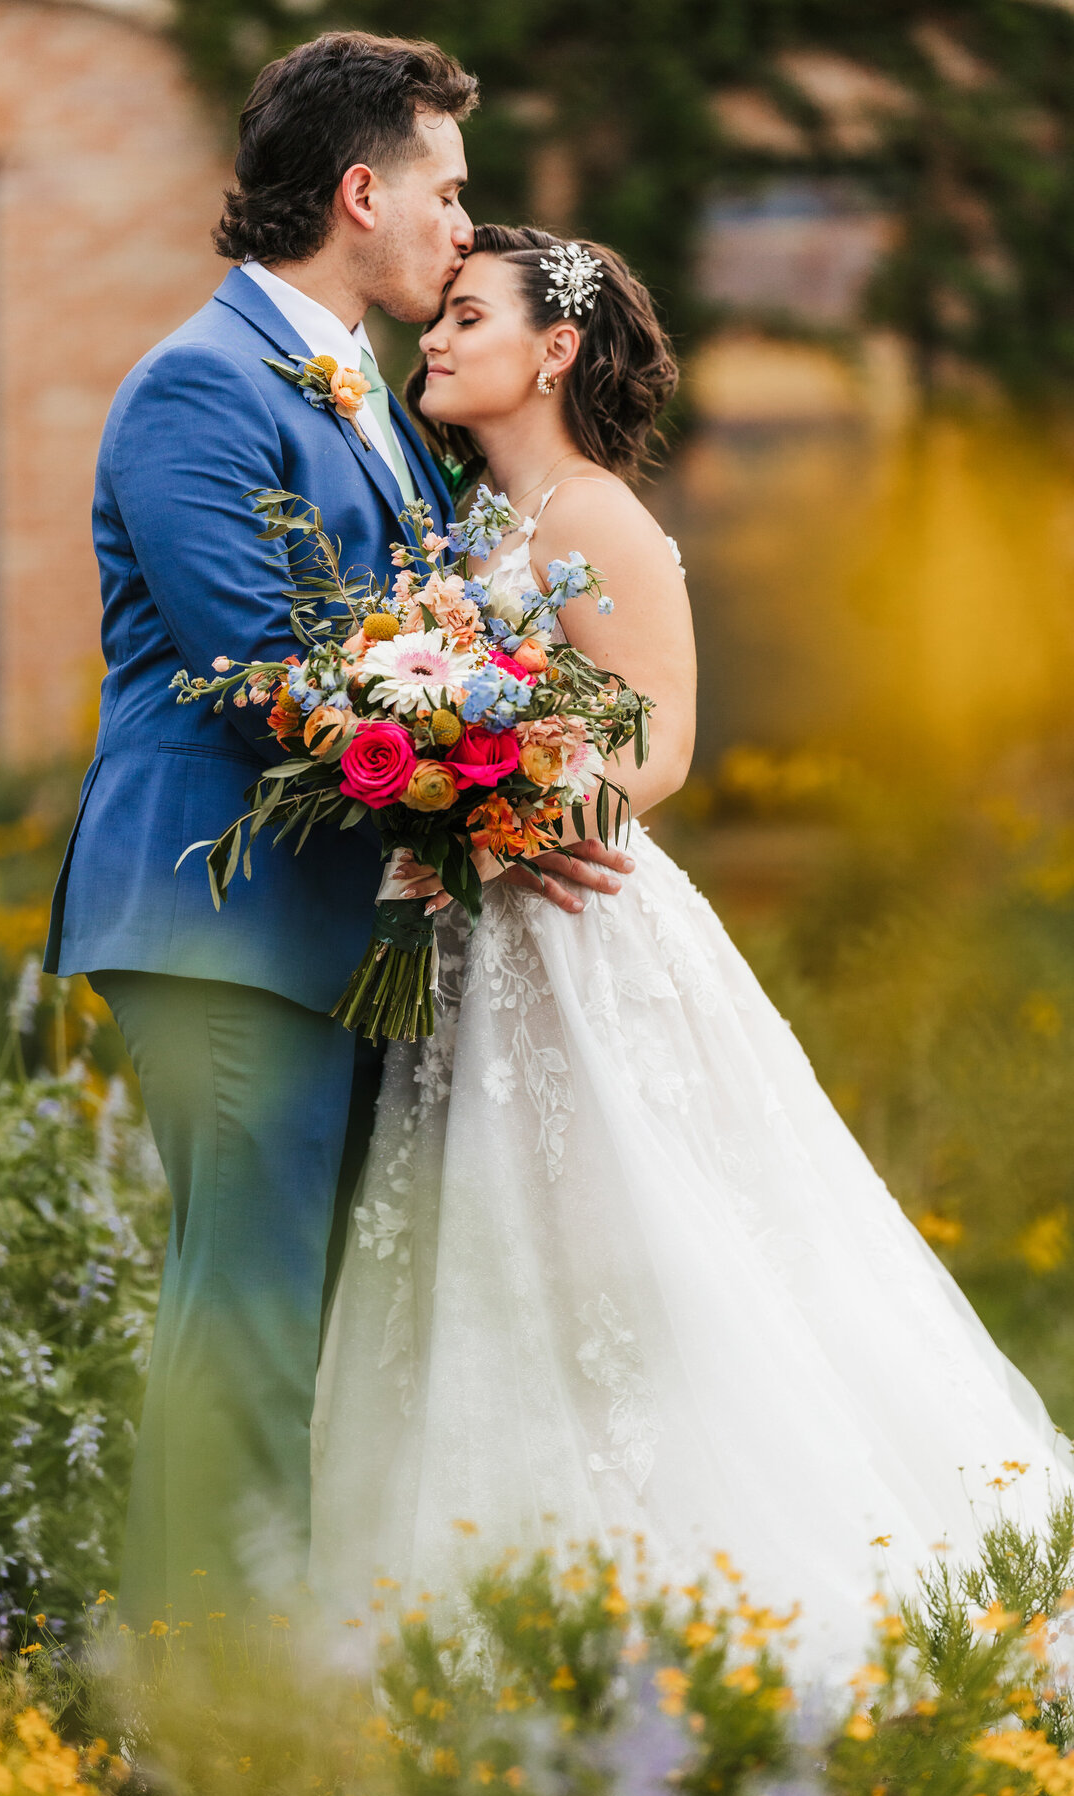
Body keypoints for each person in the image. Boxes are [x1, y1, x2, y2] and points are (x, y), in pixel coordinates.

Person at [309, 225, 1074, 1680]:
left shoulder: (591, 513)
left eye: (468, 317)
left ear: (554, 350)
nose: (438, 339)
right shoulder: (471, 515)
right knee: (490, 1252)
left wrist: (516, 811)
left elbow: (661, 728)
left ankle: (714, 1618)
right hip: (478, 928)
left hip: (575, 927)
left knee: (632, 1255)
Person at [43, 42, 631, 1630]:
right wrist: (500, 801)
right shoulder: (197, 386)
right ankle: (198, 1700)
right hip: (218, 922)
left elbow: (414, 634)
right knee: (242, 1315)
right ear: (361, 194)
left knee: (309, 1316)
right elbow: (264, 677)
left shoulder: (373, 392)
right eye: (445, 192)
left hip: (340, 928)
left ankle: (258, 1675)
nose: (463, 226)